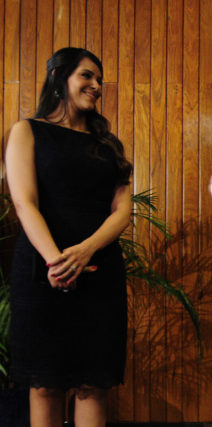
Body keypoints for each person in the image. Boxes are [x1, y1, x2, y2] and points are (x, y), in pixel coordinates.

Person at [5, 47, 132, 427]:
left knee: (93, 384)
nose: (96, 85)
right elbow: (24, 202)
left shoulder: (109, 144)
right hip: (41, 271)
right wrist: (57, 262)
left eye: (99, 80)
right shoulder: (27, 131)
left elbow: (122, 211)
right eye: (87, 75)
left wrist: (85, 252)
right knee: (45, 383)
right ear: (59, 78)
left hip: (99, 271)